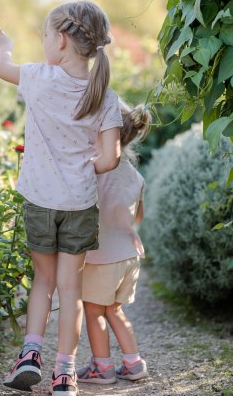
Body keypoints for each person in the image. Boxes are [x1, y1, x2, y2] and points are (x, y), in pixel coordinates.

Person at [0, 1, 123, 395]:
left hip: (40, 200)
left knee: (42, 282)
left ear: (61, 40)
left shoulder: (38, 77)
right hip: (79, 204)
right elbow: (110, 158)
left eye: (46, 36)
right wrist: (82, 168)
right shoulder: (105, 95)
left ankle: (30, 354)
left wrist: (6, 45)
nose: (45, 43)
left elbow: (2, 69)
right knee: (71, 291)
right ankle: (64, 373)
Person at [77, 102, 151, 385]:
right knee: (114, 309)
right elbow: (138, 217)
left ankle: (102, 367)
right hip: (129, 253)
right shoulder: (135, 175)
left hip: (102, 254)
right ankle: (134, 363)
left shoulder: (95, 169)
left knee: (94, 310)